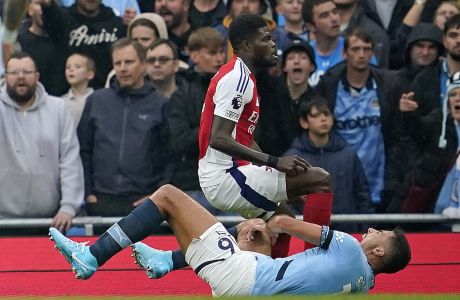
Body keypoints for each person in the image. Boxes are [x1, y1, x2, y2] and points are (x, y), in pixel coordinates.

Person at [49, 184, 411, 295]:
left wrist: (272, 206)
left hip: (243, 277)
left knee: (168, 197)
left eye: (377, 234)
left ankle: (92, 256)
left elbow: (286, 222)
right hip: (253, 282)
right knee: (250, 240)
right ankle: (165, 262)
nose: (370, 231)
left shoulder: (347, 246)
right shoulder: (365, 287)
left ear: (378, 251)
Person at [198, 14, 332, 258]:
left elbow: (243, 137)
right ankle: (318, 264)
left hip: (226, 173)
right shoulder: (237, 79)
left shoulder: (243, 76)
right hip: (224, 177)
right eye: (266, 38)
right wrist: (275, 162)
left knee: (284, 218)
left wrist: (278, 177)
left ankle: (273, 282)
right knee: (320, 179)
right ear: (247, 45)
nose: (273, 44)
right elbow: (218, 138)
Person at [78, 38, 169, 217]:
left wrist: (157, 194)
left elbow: (170, 156)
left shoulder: (161, 104)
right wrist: (88, 192)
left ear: (144, 64)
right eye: (117, 63)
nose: (122, 68)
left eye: (129, 62)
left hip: (144, 202)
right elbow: (83, 149)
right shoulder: (96, 101)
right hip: (101, 200)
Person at [315, 27, 398, 211]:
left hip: (378, 177)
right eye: (355, 49)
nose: (361, 54)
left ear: (372, 53)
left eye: (366, 49)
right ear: (345, 52)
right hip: (341, 174)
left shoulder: (388, 85)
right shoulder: (329, 86)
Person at [0, 52, 84, 232]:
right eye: (14, 73)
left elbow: (70, 160)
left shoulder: (58, 108)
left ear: (37, 76)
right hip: (3, 221)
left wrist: (69, 206)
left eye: (27, 72)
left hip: (50, 221)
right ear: (5, 77)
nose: (21, 77)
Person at [283, 96, 373, 232]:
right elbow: (286, 199)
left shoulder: (348, 154)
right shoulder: (293, 159)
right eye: (316, 115)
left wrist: (363, 228)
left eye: (326, 114)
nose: (323, 119)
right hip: (307, 233)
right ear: (304, 122)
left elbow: (362, 194)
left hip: (348, 231)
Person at [168, 27, 226, 214]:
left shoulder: (234, 89)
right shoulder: (181, 96)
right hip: (195, 185)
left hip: (231, 182)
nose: (219, 58)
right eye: (211, 53)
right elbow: (179, 142)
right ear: (194, 56)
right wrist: (218, 127)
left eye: (221, 52)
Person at [39, 0, 126, 89]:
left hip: (107, 92)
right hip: (68, 94)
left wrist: (129, 25)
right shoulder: (63, 19)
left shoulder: (116, 23)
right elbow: (50, 18)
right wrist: (47, 6)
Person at [257, 39, 316, 157]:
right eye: (291, 58)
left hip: (301, 165)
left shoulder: (316, 99)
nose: (297, 61)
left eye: (303, 58)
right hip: (268, 163)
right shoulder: (268, 87)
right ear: (284, 67)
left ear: (312, 67)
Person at [18, 0, 64, 96]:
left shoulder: (63, 37)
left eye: (49, 6)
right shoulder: (19, 40)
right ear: (30, 9)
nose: (45, 10)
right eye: (40, 4)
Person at [61, 53, 95, 128]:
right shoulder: (61, 102)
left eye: (77, 67)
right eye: (68, 67)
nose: (71, 69)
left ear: (90, 74)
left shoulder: (98, 100)